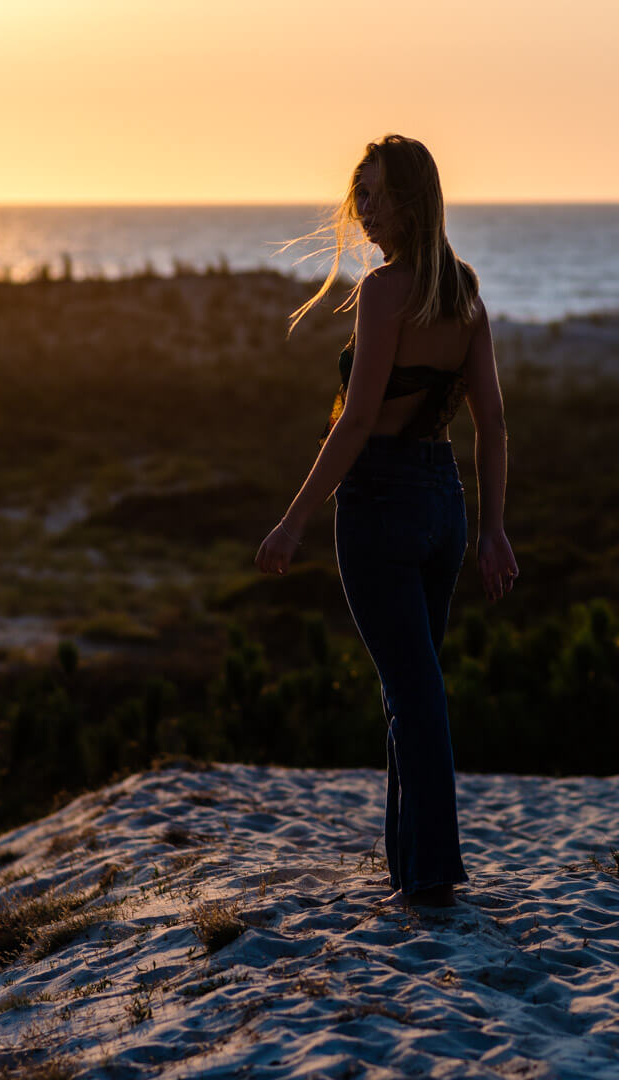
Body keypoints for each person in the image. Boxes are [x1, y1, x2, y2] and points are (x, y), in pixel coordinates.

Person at [254, 134, 519, 910]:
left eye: (374, 194)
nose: (362, 209)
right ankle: (410, 864)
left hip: (379, 502)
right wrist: (494, 529)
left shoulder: (383, 291)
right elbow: (492, 423)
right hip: (445, 502)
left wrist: (294, 520)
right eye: (358, 193)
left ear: (410, 199)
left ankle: (431, 873)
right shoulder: (464, 288)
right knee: (414, 684)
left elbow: (359, 418)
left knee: (412, 692)